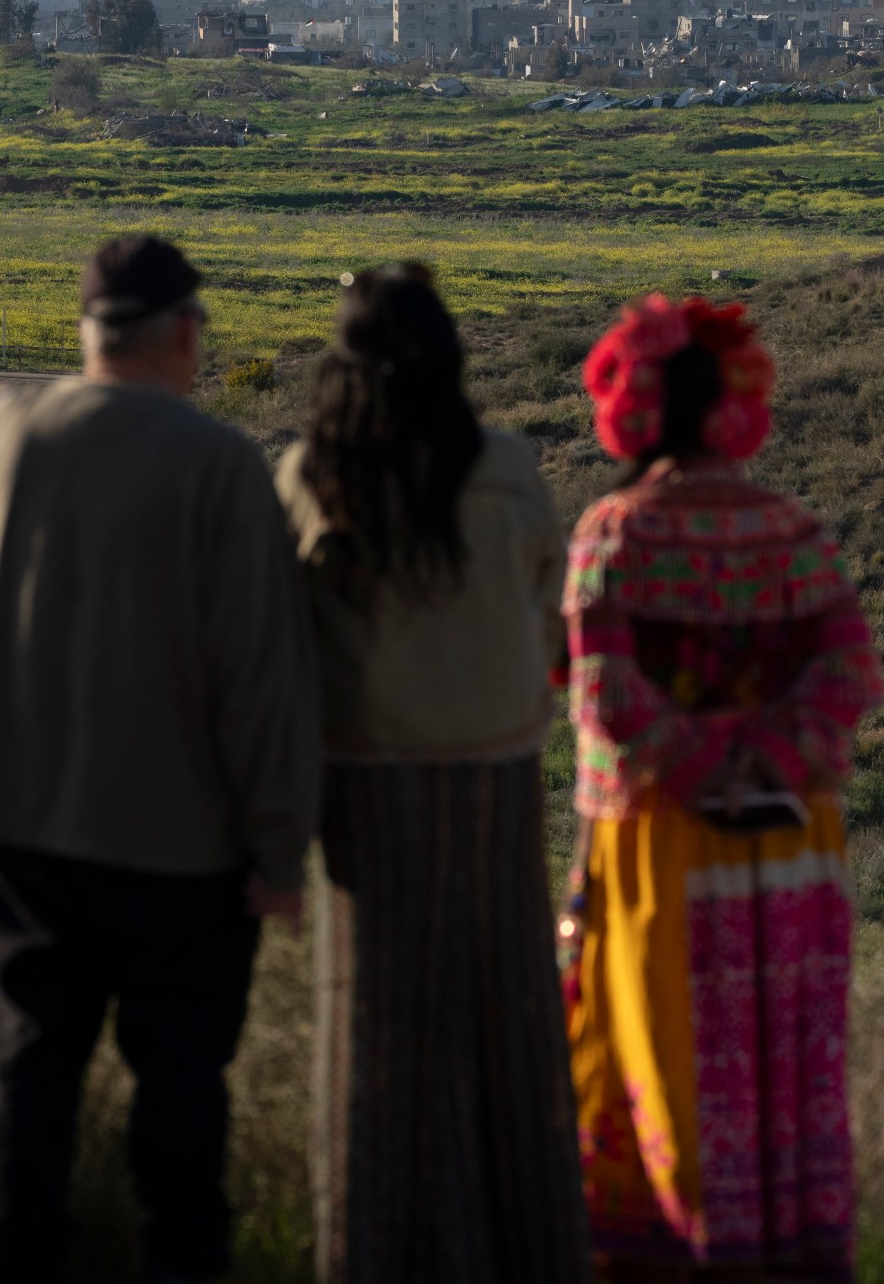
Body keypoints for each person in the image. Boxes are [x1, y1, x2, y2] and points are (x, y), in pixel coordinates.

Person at [0, 235, 320, 1284]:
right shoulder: (220, 465)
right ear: (185, 333)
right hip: (186, 849)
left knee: (27, 1092)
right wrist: (278, 849)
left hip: (28, 829)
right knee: (180, 1112)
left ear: (87, 333)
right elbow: (261, 680)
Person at [559, 295, 884, 1283]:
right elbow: (847, 676)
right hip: (791, 849)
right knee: (788, 1078)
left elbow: (606, 693)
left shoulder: (613, 532)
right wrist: (767, 764)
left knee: (665, 1068)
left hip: (664, 849)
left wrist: (700, 771)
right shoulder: (792, 531)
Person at [274, 264, 589, 1284]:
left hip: (363, 790)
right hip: (494, 781)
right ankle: (524, 1250)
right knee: (508, 1029)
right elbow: (552, 618)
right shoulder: (505, 467)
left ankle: (381, 1253)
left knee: (377, 1039)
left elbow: (278, 653)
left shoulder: (310, 477)